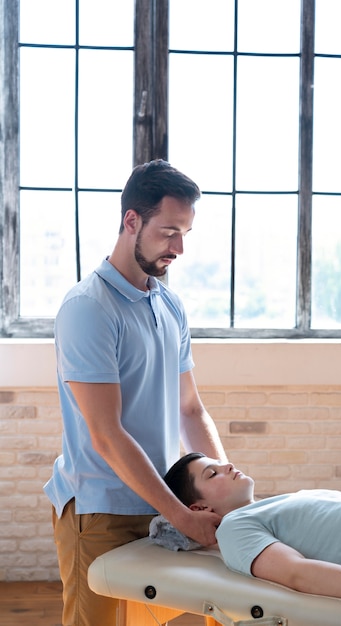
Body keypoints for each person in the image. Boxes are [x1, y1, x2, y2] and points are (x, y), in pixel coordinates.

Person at [44, 160, 227, 626]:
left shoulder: (169, 304)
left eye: (185, 233)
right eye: (169, 232)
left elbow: (190, 408)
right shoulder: (88, 308)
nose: (179, 247)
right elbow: (106, 434)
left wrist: (224, 493)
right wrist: (183, 518)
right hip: (101, 511)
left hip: (159, 503)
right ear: (131, 222)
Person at [163, 452, 341, 623]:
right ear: (199, 508)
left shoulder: (270, 507)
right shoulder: (234, 527)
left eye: (220, 464)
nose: (228, 465)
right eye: (212, 473)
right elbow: (296, 572)